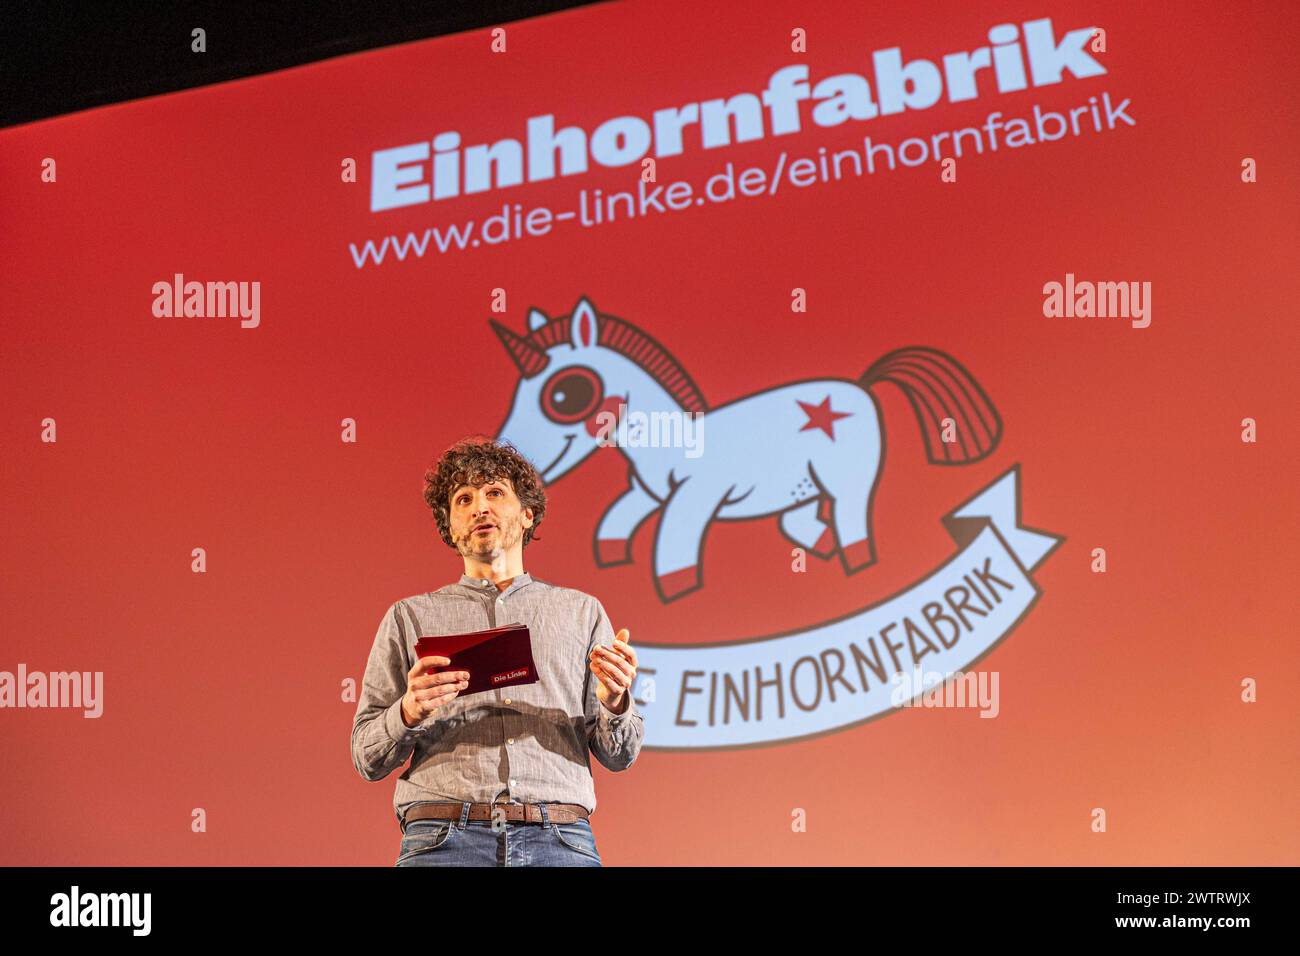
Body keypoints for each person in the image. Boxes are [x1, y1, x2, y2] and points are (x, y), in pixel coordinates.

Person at [351, 435, 643, 866]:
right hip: (442, 839)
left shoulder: (581, 612)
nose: (479, 507)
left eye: (494, 492)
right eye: (463, 499)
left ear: (527, 515)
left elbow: (621, 755)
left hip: (559, 839)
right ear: (451, 527)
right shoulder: (408, 617)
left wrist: (614, 701)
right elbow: (366, 756)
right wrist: (409, 711)